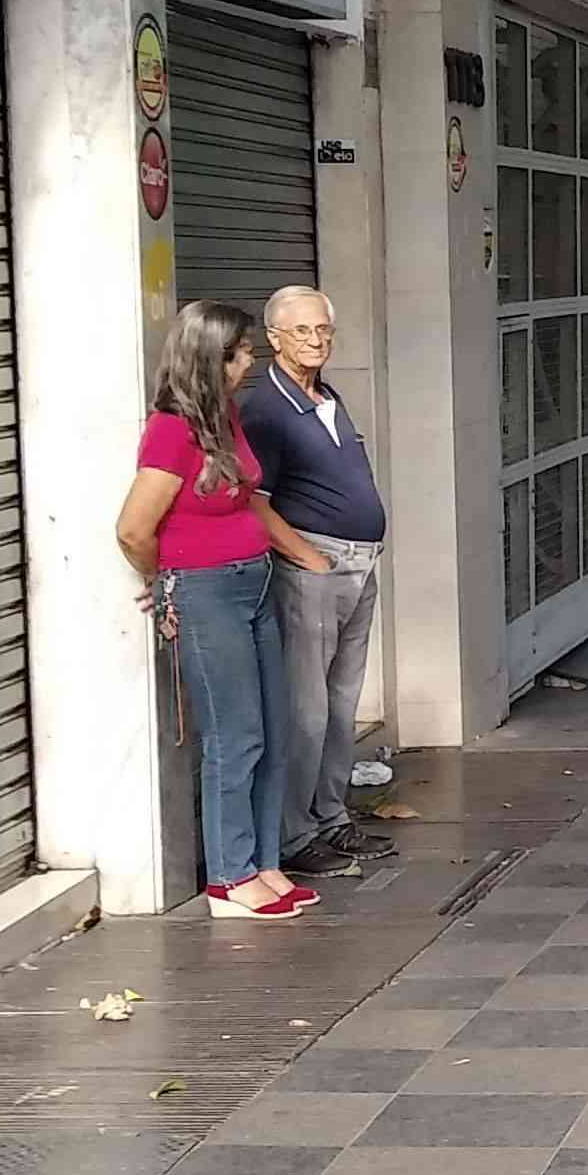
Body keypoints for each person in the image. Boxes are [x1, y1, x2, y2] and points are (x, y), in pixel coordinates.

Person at [115, 300, 332, 919]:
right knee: (233, 736)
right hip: (206, 590)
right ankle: (229, 879)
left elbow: (247, 497)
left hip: (253, 583)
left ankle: (264, 861)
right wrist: (164, 580)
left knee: (273, 728)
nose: (248, 363)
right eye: (240, 354)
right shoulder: (171, 429)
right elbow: (133, 528)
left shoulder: (224, 417)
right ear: (211, 359)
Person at [242, 285, 387, 872]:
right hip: (315, 570)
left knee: (342, 701)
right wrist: (308, 557)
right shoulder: (266, 411)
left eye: (323, 329)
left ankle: (332, 815)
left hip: (359, 564)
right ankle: (294, 836)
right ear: (274, 339)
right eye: (302, 331)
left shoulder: (327, 395)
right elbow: (254, 501)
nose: (316, 340)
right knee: (306, 709)